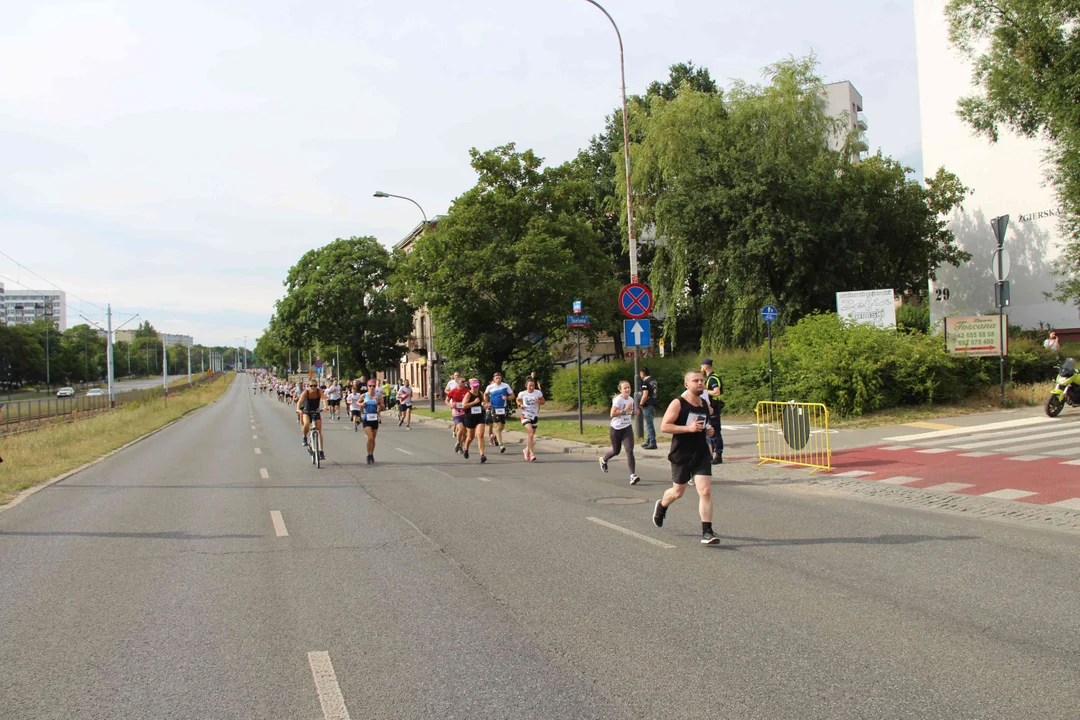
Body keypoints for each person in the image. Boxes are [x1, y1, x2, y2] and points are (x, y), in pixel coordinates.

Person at [651, 370, 720, 545]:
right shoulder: (678, 403)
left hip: (701, 452)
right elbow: (665, 426)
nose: (700, 383)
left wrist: (708, 430)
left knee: (705, 491)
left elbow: (704, 425)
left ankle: (707, 531)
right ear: (686, 384)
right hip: (681, 454)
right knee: (678, 492)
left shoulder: (704, 403)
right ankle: (662, 506)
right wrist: (687, 429)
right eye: (695, 380)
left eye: (701, 380)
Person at [600, 380, 640, 485]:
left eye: (629, 387)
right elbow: (612, 414)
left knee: (629, 450)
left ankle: (632, 475)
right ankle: (604, 460)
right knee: (616, 451)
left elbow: (629, 412)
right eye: (625, 388)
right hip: (616, 428)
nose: (627, 389)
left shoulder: (631, 399)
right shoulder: (618, 400)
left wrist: (633, 412)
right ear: (620, 389)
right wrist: (625, 410)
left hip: (627, 427)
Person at [700, 358, 724, 464]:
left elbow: (716, 392)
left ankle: (718, 455)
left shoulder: (713, 378)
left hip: (714, 407)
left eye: (701, 367)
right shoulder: (709, 378)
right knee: (711, 430)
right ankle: (712, 453)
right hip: (711, 407)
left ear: (705, 366)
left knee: (715, 431)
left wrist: (705, 390)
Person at [296, 379, 326, 461]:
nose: (313, 387)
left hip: (316, 411)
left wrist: (325, 406)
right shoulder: (306, 392)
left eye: (315, 386)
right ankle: (304, 437)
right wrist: (298, 409)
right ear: (308, 386)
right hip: (307, 411)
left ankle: (321, 451)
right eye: (311, 386)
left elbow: (323, 399)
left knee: (319, 431)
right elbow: (300, 401)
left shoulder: (319, 391)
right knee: (306, 424)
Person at [517, 377, 545, 461]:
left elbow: (543, 401)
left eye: (533, 386)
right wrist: (520, 405)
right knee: (530, 433)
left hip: (534, 416)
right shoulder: (522, 393)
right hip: (525, 415)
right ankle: (532, 454)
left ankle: (526, 450)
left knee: (531, 436)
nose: (532, 387)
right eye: (530, 386)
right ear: (526, 386)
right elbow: (517, 400)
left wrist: (539, 402)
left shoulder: (538, 393)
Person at [484, 371, 513, 453]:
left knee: (502, 427)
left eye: (499, 378)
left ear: (501, 378)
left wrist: (506, 397)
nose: (498, 379)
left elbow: (512, 396)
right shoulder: (490, 387)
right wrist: (487, 403)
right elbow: (485, 394)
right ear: (494, 379)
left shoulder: (506, 386)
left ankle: (494, 437)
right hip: (494, 408)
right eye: (496, 378)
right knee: (498, 425)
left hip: (503, 408)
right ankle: (501, 445)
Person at [461, 378, 488, 462]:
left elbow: (483, 402)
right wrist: (474, 402)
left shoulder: (480, 393)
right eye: (474, 387)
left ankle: (482, 455)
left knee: (480, 435)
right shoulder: (468, 394)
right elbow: (463, 406)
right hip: (470, 417)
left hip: (480, 416)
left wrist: (485, 405)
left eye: (477, 386)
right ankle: (466, 448)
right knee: (470, 437)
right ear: (470, 386)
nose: (476, 388)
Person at [360, 379, 383, 464]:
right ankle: (368, 455)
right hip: (366, 417)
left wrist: (378, 403)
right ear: (367, 387)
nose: (372, 388)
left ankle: (371, 454)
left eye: (373, 386)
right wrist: (362, 404)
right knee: (370, 437)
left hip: (374, 417)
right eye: (370, 386)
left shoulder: (378, 396)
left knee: (373, 438)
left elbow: (383, 407)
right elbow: (358, 403)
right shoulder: (364, 395)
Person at [446, 376, 469, 452]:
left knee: (464, 431)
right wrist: (451, 405)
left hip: (465, 412)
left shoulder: (467, 391)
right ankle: (459, 443)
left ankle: (460, 444)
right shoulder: (453, 391)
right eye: (462, 381)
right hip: (456, 412)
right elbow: (446, 400)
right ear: (458, 382)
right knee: (461, 428)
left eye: (465, 381)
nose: (464, 383)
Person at [638, 368, 658, 450]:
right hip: (653, 403)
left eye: (640, 373)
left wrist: (641, 404)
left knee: (649, 424)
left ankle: (652, 442)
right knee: (650, 423)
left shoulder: (645, 382)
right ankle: (648, 441)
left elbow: (645, 395)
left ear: (642, 373)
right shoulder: (653, 380)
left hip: (647, 404)